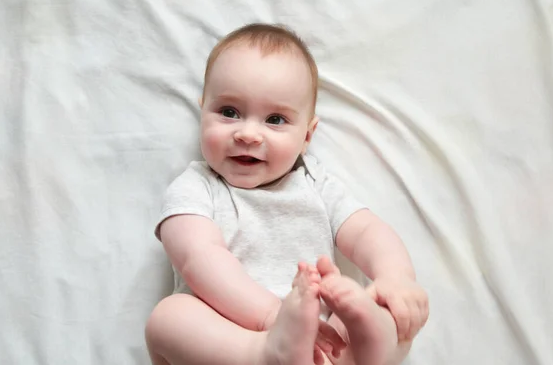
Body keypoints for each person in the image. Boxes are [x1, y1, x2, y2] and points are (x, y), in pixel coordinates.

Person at [145, 23, 429, 365]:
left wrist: (395, 276)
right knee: (170, 316)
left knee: (389, 310)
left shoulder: (314, 182)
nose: (248, 133)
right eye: (229, 112)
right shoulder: (196, 186)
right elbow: (198, 257)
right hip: (233, 345)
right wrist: (272, 319)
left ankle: (366, 348)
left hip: (322, 346)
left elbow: (367, 230)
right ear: (203, 111)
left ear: (307, 137)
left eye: (275, 119)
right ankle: (266, 353)